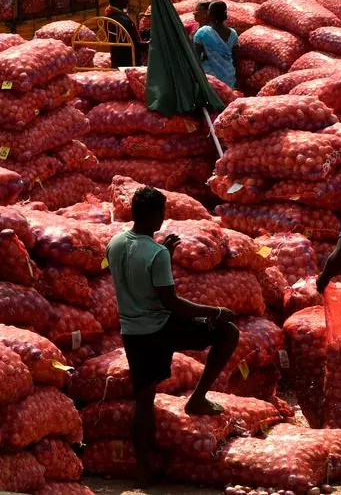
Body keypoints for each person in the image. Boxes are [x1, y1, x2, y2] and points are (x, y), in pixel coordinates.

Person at [107, 186, 240, 485]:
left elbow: (135, 272)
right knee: (228, 332)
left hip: (131, 331)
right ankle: (199, 398)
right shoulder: (155, 254)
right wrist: (215, 311)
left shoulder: (114, 243)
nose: (163, 218)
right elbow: (173, 304)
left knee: (143, 400)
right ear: (154, 214)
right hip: (160, 328)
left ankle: (142, 469)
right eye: (162, 212)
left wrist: (162, 252)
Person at [193, 1, 238, 89]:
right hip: (229, 78)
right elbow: (234, 60)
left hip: (210, 80)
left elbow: (195, 59)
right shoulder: (233, 34)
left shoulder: (203, 32)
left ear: (210, 15)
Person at [103, 0, 143, 68]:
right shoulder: (121, 20)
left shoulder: (110, 15)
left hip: (118, 61)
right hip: (128, 64)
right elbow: (134, 45)